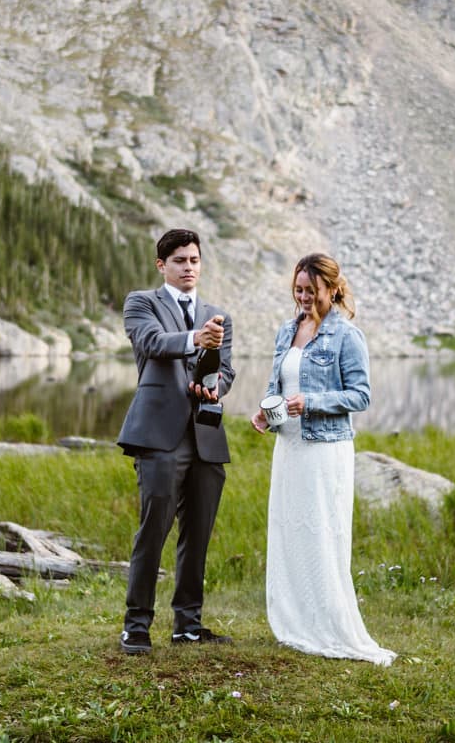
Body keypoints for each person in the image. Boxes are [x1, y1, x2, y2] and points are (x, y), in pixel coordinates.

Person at [248, 253, 395, 666]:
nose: (304, 298)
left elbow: (360, 396)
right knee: (289, 529)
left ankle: (327, 623)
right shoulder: (286, 330)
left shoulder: (347, 335)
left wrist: (311, 402)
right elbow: (279, 382)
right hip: (289, 447)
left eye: (311, 291)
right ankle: (295, 621)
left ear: (332, 289)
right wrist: (266, 412)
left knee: (321, 532)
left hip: (325, 449)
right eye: (298, 290)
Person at [116, 228, 235, 655]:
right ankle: (136, 626)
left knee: (198, 534)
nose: (189, 267)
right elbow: (150, 342)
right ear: (162, 265)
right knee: (154, 530)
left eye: (195, 260)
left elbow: (227, 371)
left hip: (205, 435)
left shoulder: (219, 315)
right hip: (158, 436)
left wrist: (216, 386)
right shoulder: (141, 302)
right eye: (181, 260)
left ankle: (188, 623)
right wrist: (193, 339)